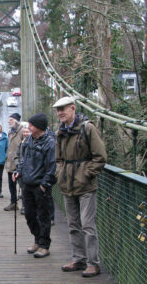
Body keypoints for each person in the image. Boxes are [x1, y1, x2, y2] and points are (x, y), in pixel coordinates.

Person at [53, 96, 107, 277]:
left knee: (88, 225)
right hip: (67, 185)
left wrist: (85, 174)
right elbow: (58, 159)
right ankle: (78, 259)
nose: (60, 113)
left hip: (85, 186)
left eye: (63, 109)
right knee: (73, 224)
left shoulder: (88, 128)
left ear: (73, 108)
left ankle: (93, 263)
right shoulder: (60, 132)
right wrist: (60, 174)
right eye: (57, 110)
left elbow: (100, 157)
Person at [13, 113, 56, 258]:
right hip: (27, 183)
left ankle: (44, 245)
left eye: (31, 125)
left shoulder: (50, 143)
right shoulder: (28, 140)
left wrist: (45, 184)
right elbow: (23, 160)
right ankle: (37, 239)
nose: (28, 127)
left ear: (38, 126)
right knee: (30, 215)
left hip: (40, 185)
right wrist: (19, 171)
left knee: (43, 216)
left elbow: (52, 166)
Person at [4, 113, 23, 211]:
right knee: (12, 185)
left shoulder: (22, 131)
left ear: (16, 120)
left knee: (23, 185)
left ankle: (24, 206)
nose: (8, 121)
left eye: (11, 120)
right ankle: (13, 203)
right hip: (10, 162)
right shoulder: (10, 132)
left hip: (19, 162)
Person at [14, 124, 31, 215]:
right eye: (24, 132)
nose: (25, 133)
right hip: (21, 170)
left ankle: (29, 206)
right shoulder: (21, 143)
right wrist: (18, 164)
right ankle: (24, 206)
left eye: (27, 132)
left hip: (29, 170)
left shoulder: (32, 143)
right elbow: (16, 156)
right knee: (23, 189)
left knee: (27, 190)